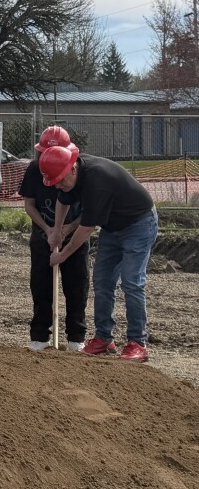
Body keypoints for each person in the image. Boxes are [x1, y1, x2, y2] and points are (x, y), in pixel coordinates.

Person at [41, 144, 158, 361]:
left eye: (60, 180)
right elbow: (62, 201)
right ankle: (104, 338)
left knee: (131, 282)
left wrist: (63, 254)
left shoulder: (97, 181)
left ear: (72, 169)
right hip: (113, 227)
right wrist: (57, 230)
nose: (58, 186)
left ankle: (138, 343)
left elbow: (86, 229)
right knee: (103, 281)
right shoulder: (70, 177)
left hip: (139, 223)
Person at [19, 126, 88, 352]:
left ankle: (76, 337)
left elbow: (90, 212)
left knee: (76, 288)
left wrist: (67, 228)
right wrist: (49, 230)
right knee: (41, 288)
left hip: (75, 236)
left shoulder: (79, 170)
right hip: (42, 237)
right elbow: (29, 205)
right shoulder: (33, 170)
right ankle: (40, 336)